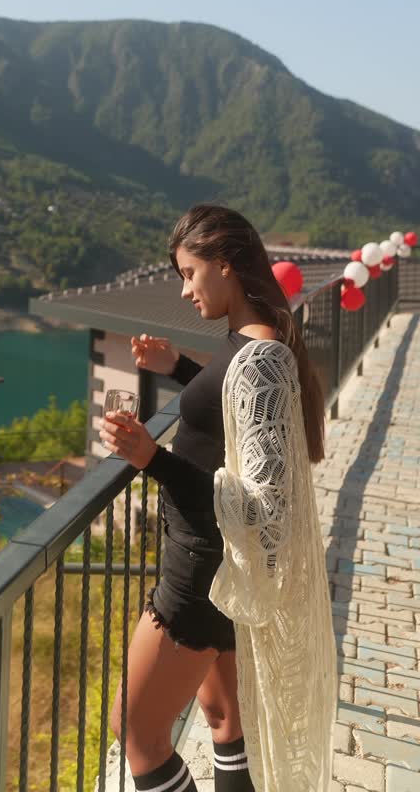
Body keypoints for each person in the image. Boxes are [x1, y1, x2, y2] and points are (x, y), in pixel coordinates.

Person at [99, 204, 337, 792]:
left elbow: (260, 506)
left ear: (225, 264)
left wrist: (151, 459)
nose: (184, 291)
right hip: (225, 564)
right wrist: (177, 366)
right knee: (227, 720)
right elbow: (230, 403)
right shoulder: (257, 340)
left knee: (136, 732)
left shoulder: (262, 358)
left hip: (204, 569)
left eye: (189, 273)